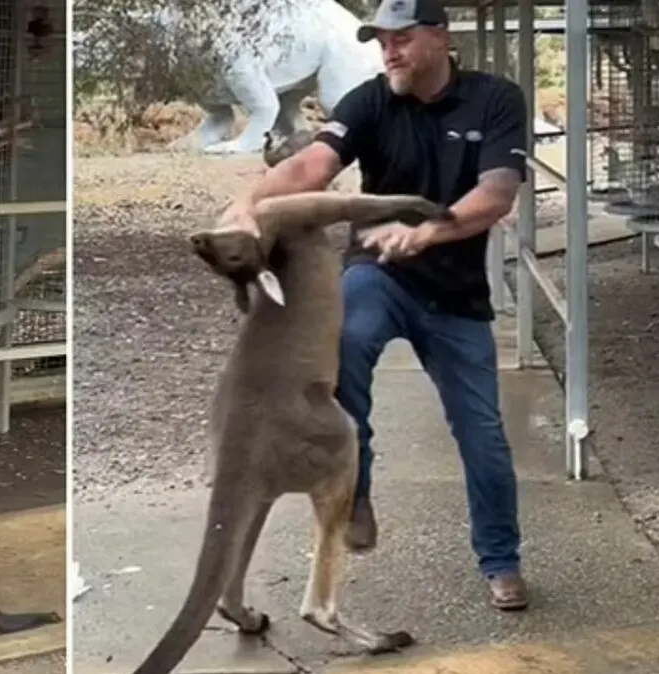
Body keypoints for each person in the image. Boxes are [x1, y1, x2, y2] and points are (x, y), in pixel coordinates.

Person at [219, 0, 530, 611]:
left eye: (403, 39)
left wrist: (431, 231)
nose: (389, 51)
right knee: (349, 340)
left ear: (440, 39)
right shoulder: (369, 100)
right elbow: (313, 164)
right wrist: (248, 202)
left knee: (483, 435)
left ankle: (501, 560)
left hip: (456, 293)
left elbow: (496, 193)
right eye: (382, 40)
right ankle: (356, 490)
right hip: (378, 273)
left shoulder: (495, 100)